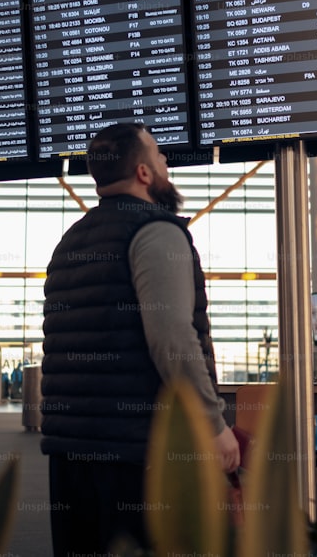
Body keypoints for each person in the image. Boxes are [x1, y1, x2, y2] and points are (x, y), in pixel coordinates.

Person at [41, 123, 239, 556]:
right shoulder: (154, 231)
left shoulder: (70, 241)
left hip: (71, 458)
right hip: (138, 455)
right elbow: (172, 339)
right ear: (145, 173)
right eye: (160, 155)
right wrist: (214, 425)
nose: (167, 162)